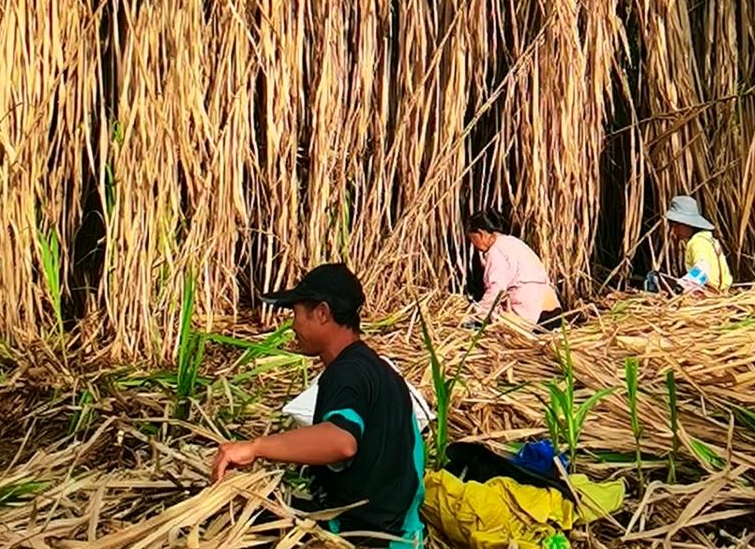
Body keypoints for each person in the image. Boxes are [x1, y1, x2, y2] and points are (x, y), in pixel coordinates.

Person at [211, 263, 424, 546]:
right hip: (399, 534)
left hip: (367, 538)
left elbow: (341, 441)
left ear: (322, 313)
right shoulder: (377, 369)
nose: (292, 326)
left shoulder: (347, 373)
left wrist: (255, 447)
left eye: (296, 313)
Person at [465, 209, 561, 328]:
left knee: (491, 323)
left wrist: (477, 313)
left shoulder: (495, 251)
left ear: (480, 234)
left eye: (472, 239)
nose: (473, 244)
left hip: (532, 314)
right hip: (553, 309)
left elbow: (496, 289)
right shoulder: (514, 242)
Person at [655, 195, 733, 295]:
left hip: (710, 294)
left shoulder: (697, 242)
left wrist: (680, 286)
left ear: (688, 223)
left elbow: (702, 269)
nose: (674, 231)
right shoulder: (709, 239)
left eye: (677, 226)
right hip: (723, 293)